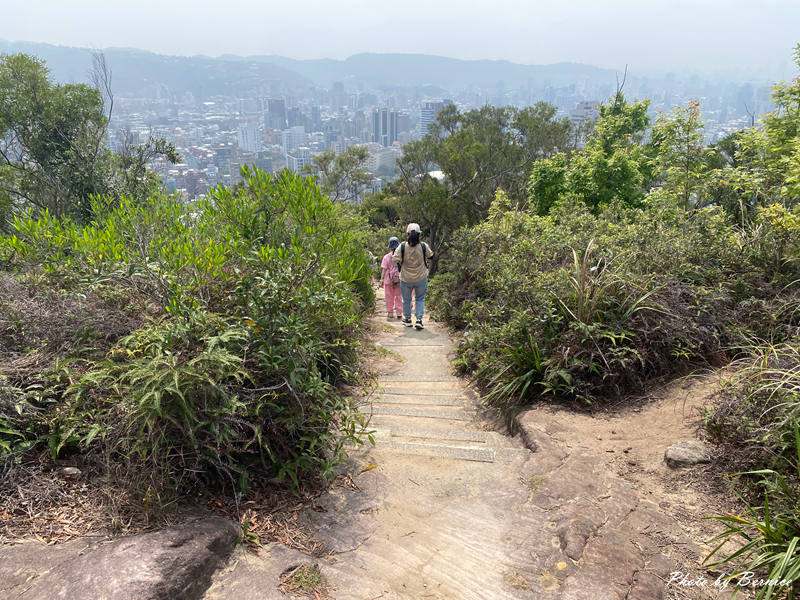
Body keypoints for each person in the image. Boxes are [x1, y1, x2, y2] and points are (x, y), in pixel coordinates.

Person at [394, 223, 434, 330]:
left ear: (407, 234)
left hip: (405, 278)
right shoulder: (423, 246)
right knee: (420, 299)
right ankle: (419, 320)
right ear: (419, 234)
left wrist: (401, 264)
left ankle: (407, 319)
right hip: (421, 277)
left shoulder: (402, 246)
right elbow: (431, 256)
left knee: (406, 299)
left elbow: (395, 259)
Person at [379, 236, 403, 319]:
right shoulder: (401, 256)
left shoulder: (386, 257)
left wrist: (381, 280)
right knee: (399, 296)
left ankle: (390, 313)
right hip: (399, 279)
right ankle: (399, 313)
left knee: (389, 296)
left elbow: (384, 269)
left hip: (388, 280)